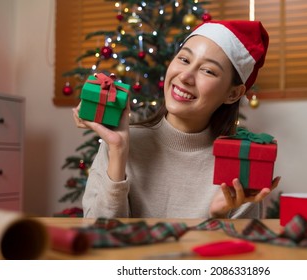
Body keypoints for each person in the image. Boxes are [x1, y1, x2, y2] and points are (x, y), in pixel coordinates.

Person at [73, 20, 280, 219]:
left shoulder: (239, 163)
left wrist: (218, 217)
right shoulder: (120, 142)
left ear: (233, 94)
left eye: (208, 71)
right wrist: (118, 151)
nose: (185, 76)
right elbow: (97, 240)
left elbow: (241, 252)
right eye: (184, 59)